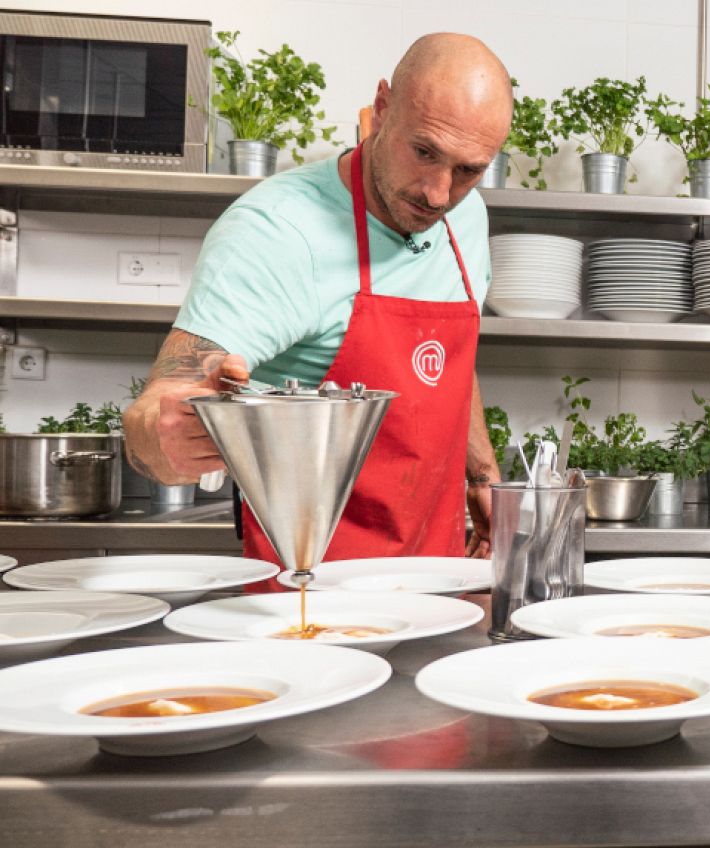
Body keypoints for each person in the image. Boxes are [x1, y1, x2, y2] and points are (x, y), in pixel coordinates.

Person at [124, 34, 512, 561]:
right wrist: (163, 437)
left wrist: (484, 476)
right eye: (424, 152)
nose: (438, 194)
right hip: (309, 587)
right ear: (381, 108)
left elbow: (444, 365)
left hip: (437, 577)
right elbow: (160, 404)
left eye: (468, 171)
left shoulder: (465, 217)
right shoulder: (276, 230)